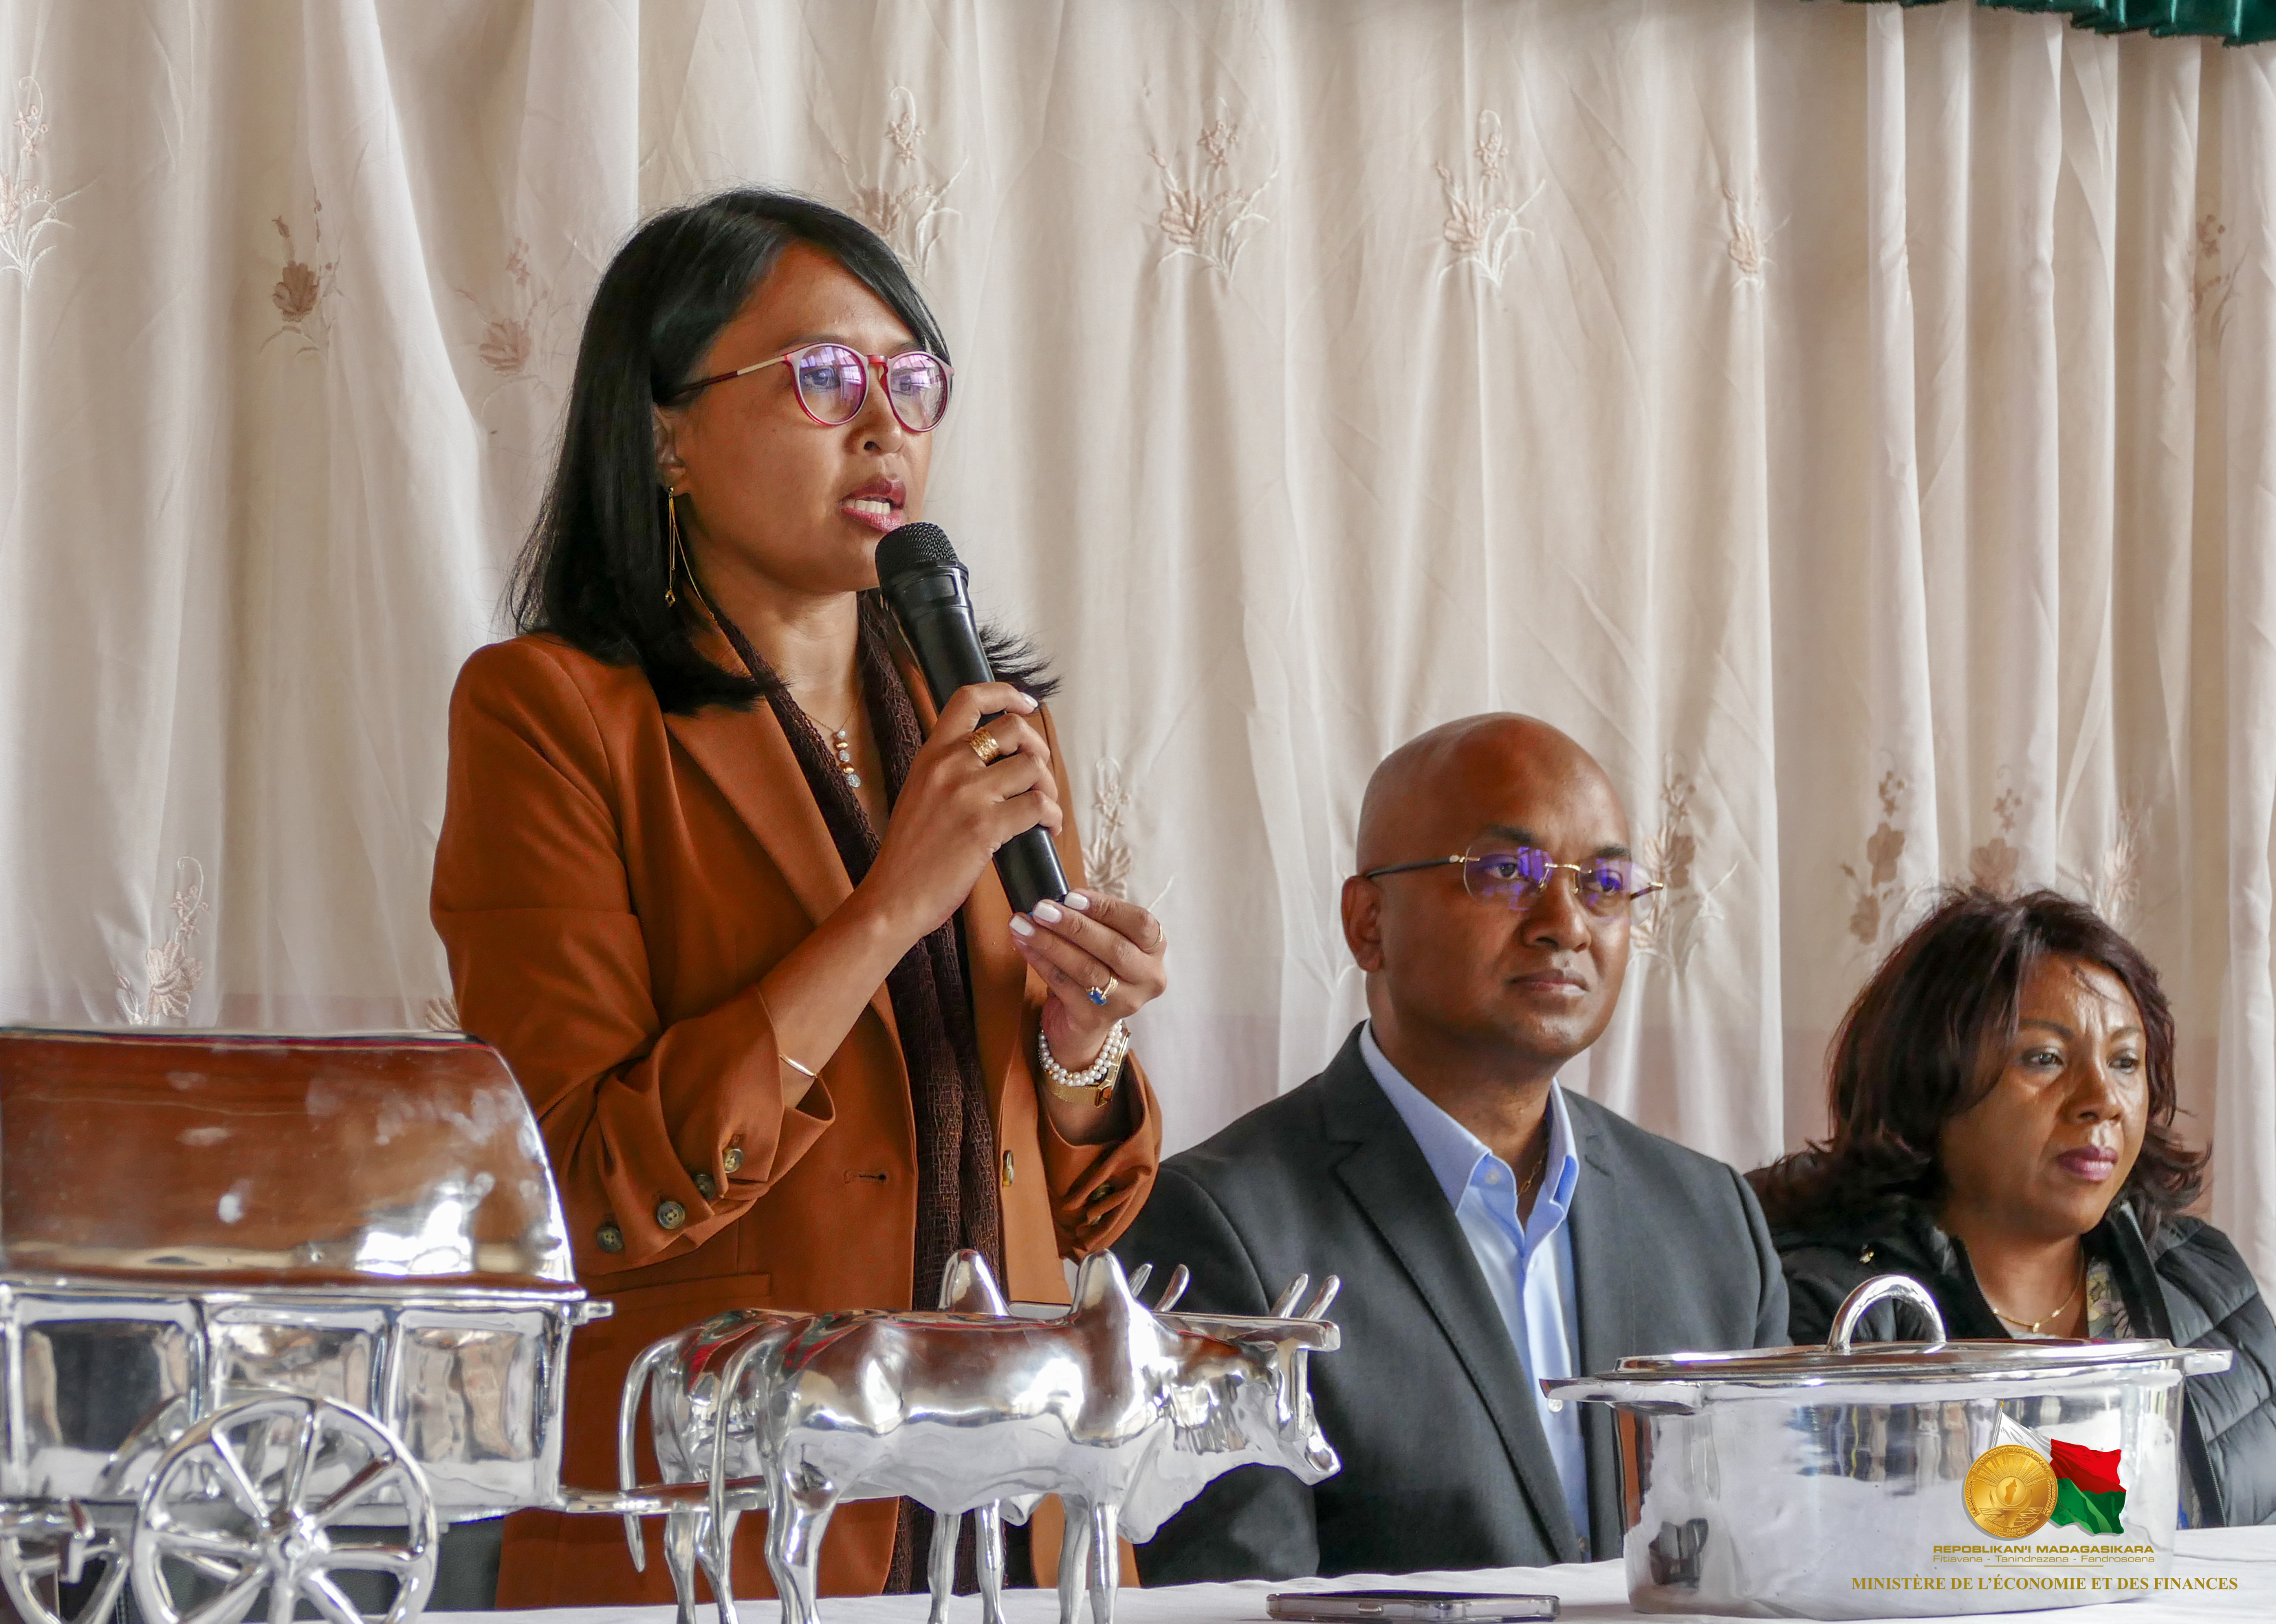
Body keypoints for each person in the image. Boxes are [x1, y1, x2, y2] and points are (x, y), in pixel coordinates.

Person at [432, 189, 1170, 1608]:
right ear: (668, 434)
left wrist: (1083, 1049)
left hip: (1025, 1529)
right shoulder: (552, 714)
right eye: (823, 377)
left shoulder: (988, 731)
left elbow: (1079, 1210)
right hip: (720, 1529)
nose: (884, 424)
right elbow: (583, 1186)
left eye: (913, 381)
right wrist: (886, 909)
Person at [1116, 715, 1786, 1581]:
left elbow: (1772, 1565)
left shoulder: (1712, 1221)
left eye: (1605, 883)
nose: (1566, 924)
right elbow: (1243, 1602)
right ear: (1368, 922)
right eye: (1505, 872)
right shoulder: (1223, 1225)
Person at [1751, 888, 2276, 1527]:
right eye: (2044, 1058)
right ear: (1928, 1080)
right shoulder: (1829, 1305)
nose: (2102, 1099)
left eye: (2124, 1061)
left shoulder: (2202, 1278)